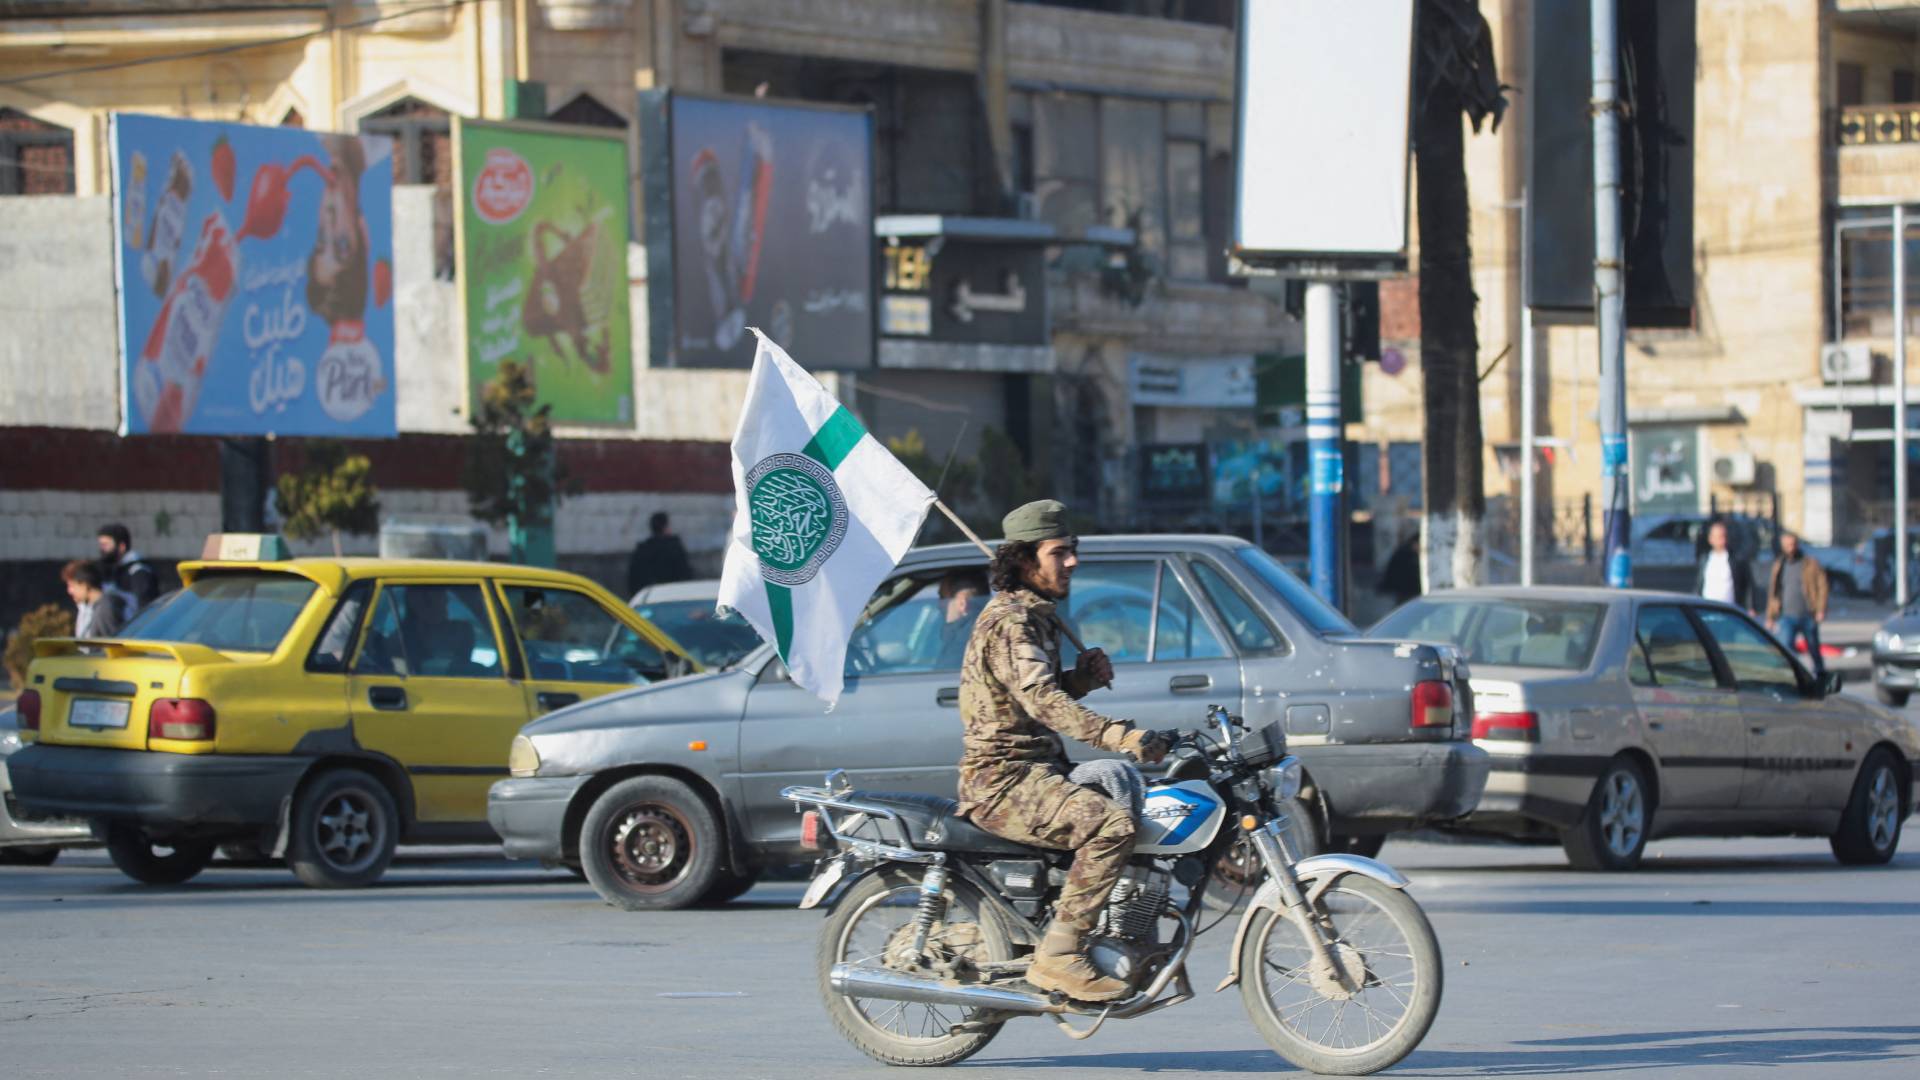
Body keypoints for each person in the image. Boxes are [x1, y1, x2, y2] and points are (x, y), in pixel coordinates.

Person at [957, 499, 1169, 1002]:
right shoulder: (1010, 621)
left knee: (1132, 797)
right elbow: (1042, 701)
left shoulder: (1037, 617)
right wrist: (1121, 736)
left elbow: (1033, 697)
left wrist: (1081, 679)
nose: (1072, 561)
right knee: (1111, 825)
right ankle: (1059, 954)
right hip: (1003, 780)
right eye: (1058, 553)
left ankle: (1123, 931)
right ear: (1026, 560)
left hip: (1039, 770)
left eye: (1073, 550)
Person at [1768, 531, 1830, 678]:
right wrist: (1770, 616)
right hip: (1786, 615)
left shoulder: (1810, 563)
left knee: (1813, 647)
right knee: (1786, 647)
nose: (1791, 547)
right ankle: (1793, 674)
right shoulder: (1779, 564)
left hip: (1807, 613)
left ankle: (1820, 673)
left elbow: (1823, 586)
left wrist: (1821, 609)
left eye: (1793, 544)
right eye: (1788, 544)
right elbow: (1773, 592)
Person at [96, 523, 159, 618]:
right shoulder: (112, 570)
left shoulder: (138, 571)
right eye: (101, 545)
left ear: (121, 546)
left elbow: (144, 605)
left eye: (106, 545)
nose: (102, 550)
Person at [1694, 519, 1755, 615]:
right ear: (1710, 539)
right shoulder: (1705, 559)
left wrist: (1751, 607)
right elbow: (1699, 584)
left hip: (1729, 612)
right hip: (1707, 611)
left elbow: (1748, 585)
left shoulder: (1736, 559)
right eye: (1718, 537)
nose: (1722, 540)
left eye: (1724, 536)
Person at [627, 511, 694, 597]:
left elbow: (633, 579)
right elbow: (685, 574)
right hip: (674, 595)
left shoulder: (642, 550)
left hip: (650, 597)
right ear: (665, 527)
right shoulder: (674, 548)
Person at [934, 568, 989, 669]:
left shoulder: (960, 645)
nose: (939, 606)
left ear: (962, 603)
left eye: (942, 598)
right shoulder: (989, 631)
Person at [64, 560, 124, 640]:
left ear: (84, 585)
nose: (69, 591)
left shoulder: (105, 609)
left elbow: (114, 644)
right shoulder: (92, 607)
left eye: (72, 586)